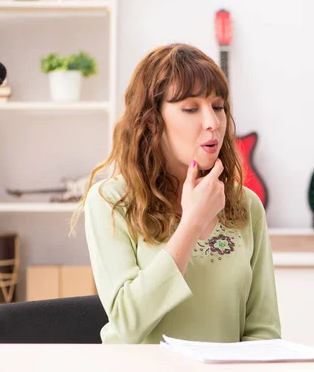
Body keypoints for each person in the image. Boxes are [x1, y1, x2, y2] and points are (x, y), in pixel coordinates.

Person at [71, 43, 281, 344]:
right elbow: (129, 324)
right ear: (151, 121)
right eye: (190, 108)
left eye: (218, 106)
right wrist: (191, 225)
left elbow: (264, 333)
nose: (212, 123)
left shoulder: (246, 205)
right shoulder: (110, 201)